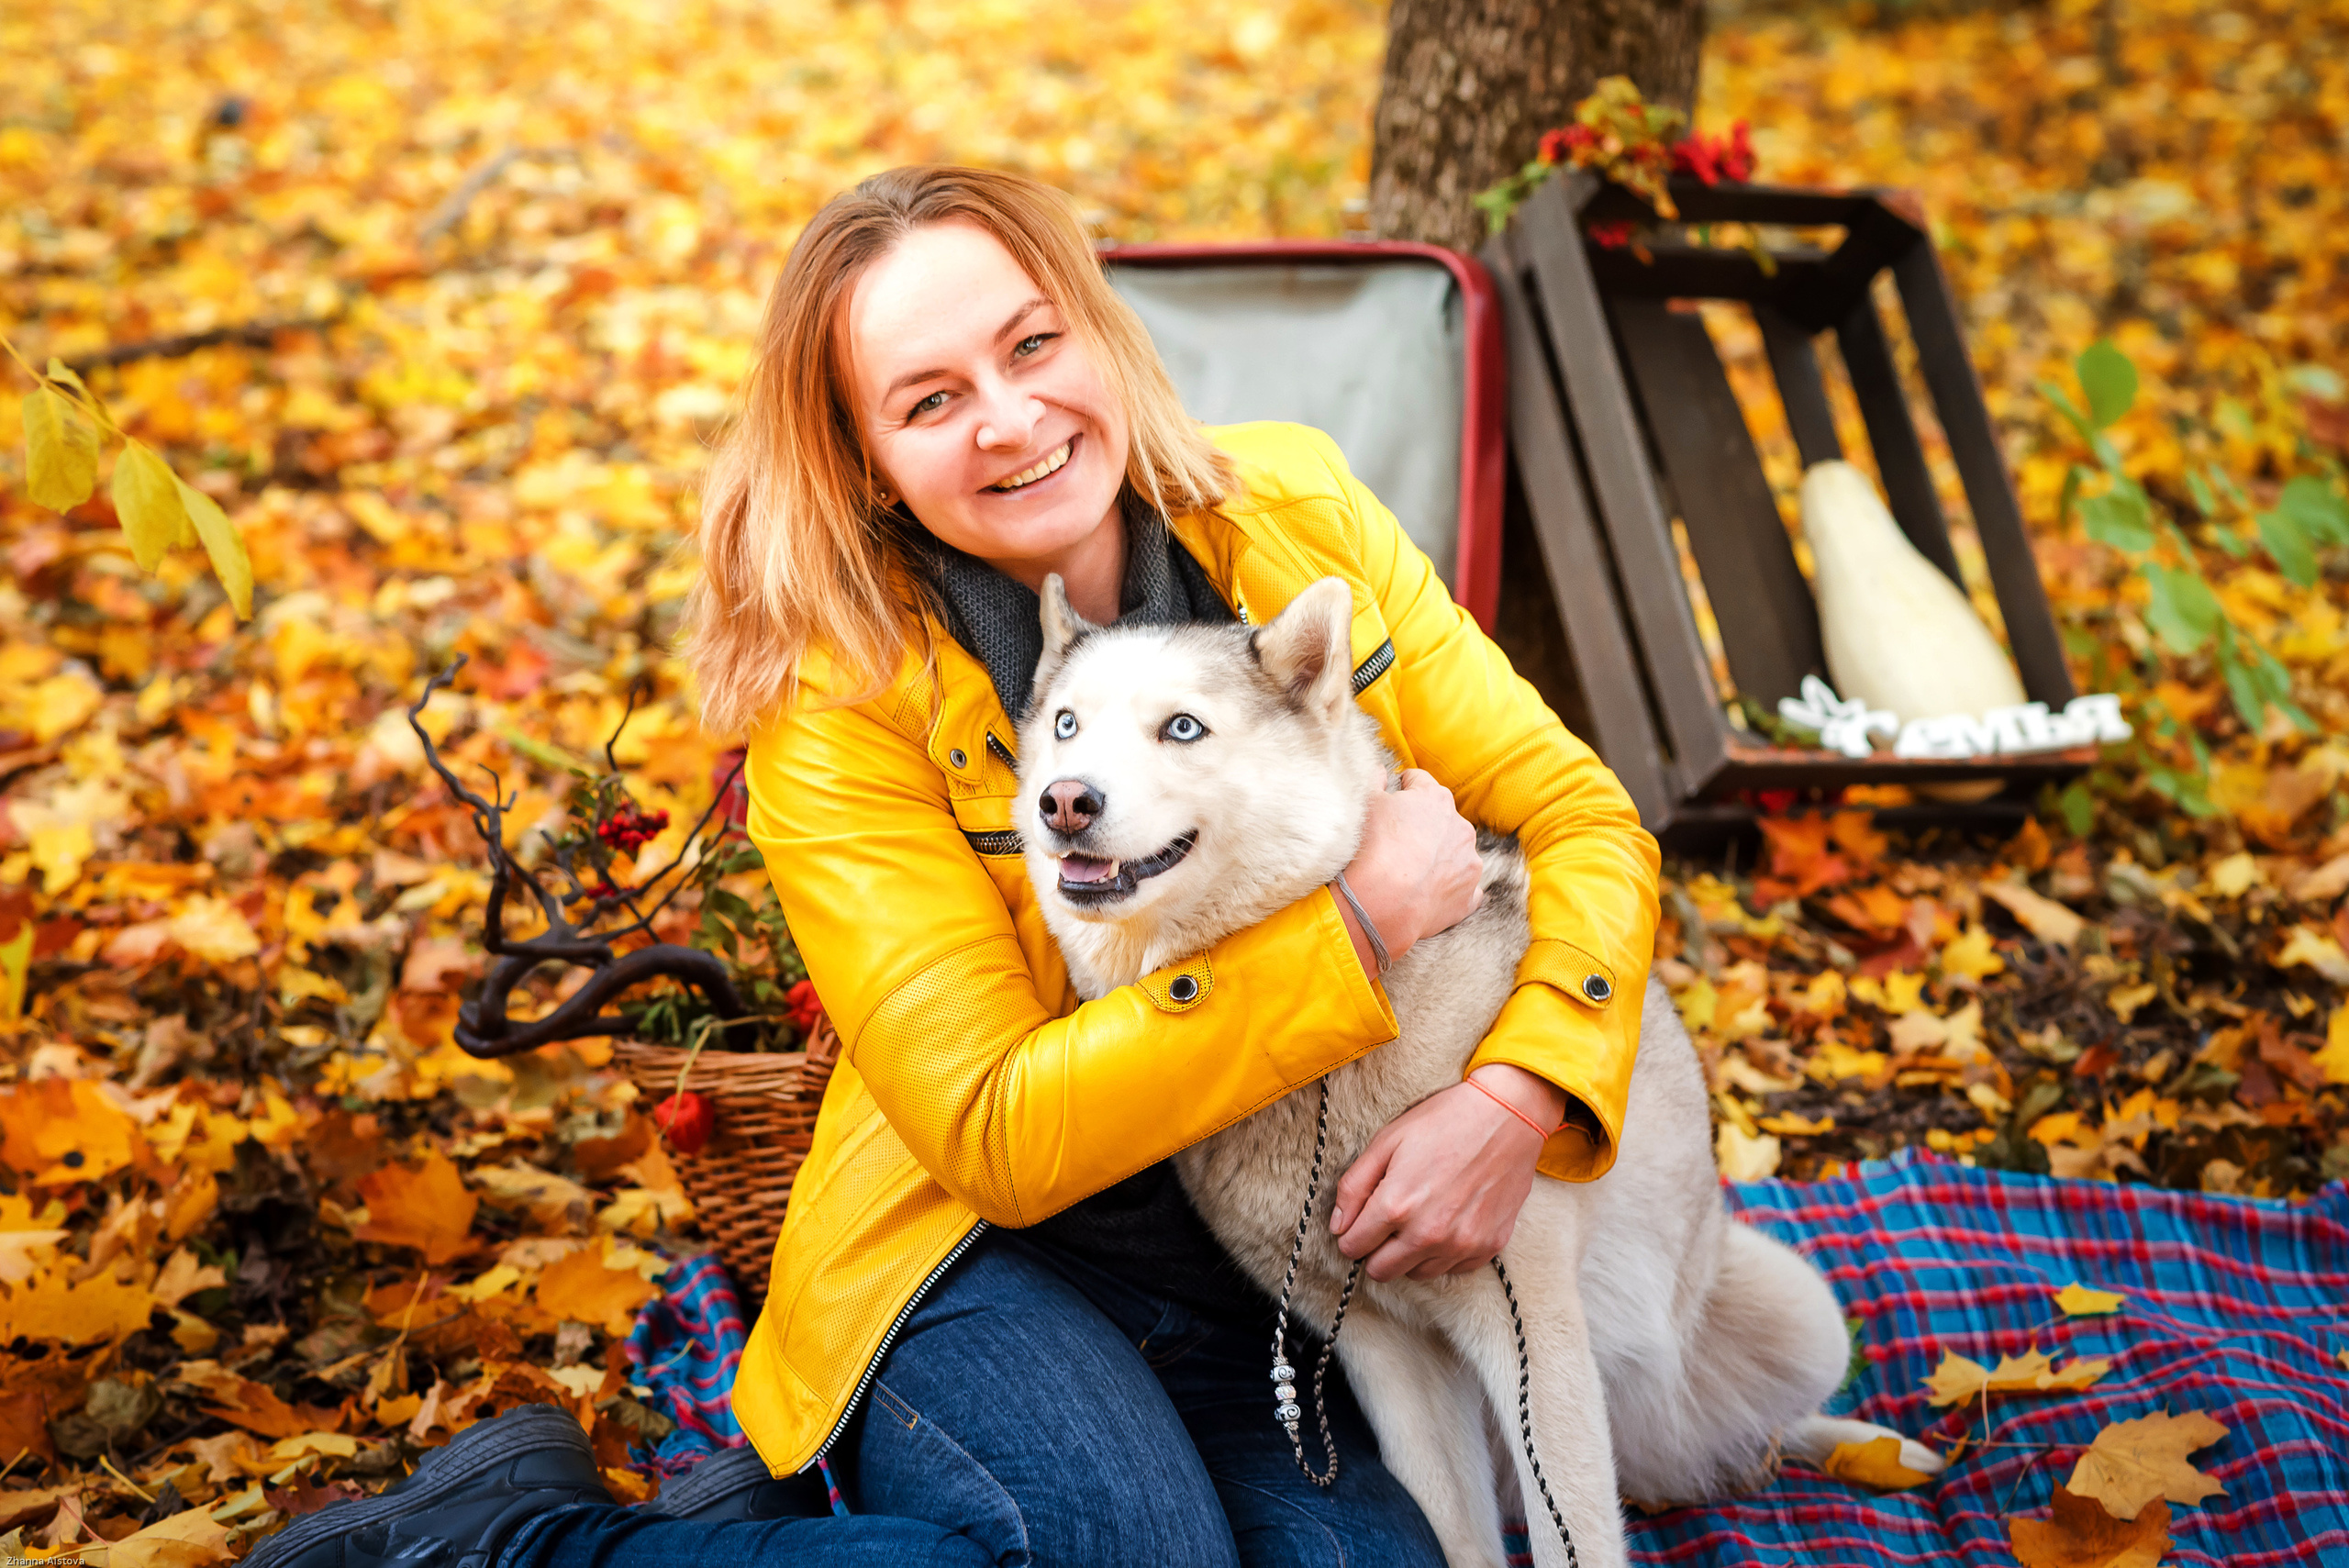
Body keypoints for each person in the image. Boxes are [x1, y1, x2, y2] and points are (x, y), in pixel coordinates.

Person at [256, 165, 1659, 1568]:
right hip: (980, 1256)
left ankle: (743, 1523)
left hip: (1272, 1285)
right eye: (930, 400)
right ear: (867, 458)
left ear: (1099, 334)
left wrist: (1519, 1090)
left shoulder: (1294, 514)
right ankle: (507, 1546)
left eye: (1033, 343)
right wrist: (1349, 931)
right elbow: (998, 1137)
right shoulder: (840, 704)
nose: (1012, 419)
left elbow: (1582, 815)